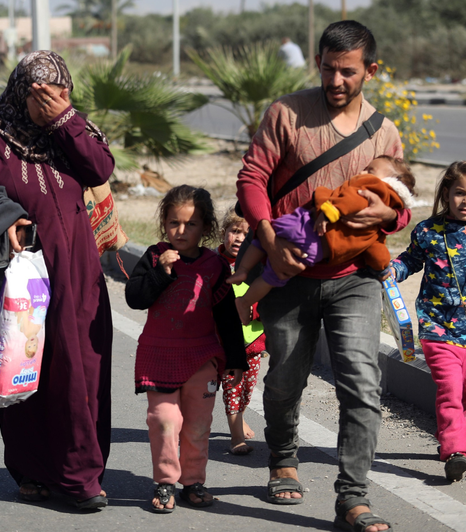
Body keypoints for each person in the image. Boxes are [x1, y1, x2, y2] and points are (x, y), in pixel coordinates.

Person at [235, 20, 405, 532]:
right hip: (288, 274)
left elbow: (399, 204)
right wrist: (269, 241)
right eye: (328, 68)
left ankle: (353, 498)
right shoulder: (286, 113)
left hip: (355, 278)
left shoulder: (385, 132)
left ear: (369, 71)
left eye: (348, 72)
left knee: (361, 381)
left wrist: (389, 218)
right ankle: (282, 454)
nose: (336, 80)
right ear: (318, 63)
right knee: (286, 376)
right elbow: (253, 177)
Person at [0, 51, 115, 509]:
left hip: (79, 278)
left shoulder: (73, 132)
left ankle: (80, 476)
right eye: (43, 94)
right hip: (22, 280)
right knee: (25, 369)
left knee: (82, 373)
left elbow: (100, 169)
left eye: (62, 91)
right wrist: (4, 222)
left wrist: (65, 122)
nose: (55, 100)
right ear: (22, 93)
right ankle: (33, 470)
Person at [125, 186, 246, 513]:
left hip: (202, 359)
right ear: (164, 222)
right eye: (174, 222)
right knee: (164, 420)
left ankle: (193, 482)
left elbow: (226, 314)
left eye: (191, 224)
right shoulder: (154, 256)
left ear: (206, 228)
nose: (181, 231)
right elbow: (135, 298)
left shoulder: (215, 266)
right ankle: (165, 482)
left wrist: (236, 359)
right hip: (159, 356)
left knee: (196, 426)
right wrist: (161, 271)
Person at [231, 155, 415, 325]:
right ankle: (245, 301)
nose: (363, 172)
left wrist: (326, 207)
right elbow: (375, 249)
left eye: (370, 170)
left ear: (391, 182)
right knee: (273, 276)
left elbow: (340, 197)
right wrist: (382, 268)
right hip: (311, 242)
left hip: (302, 217)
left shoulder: (372, 187)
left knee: (265, 239)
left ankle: (243, 270)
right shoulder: (373, 193)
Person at [391, 161, 466, 483]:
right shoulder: (427, 232)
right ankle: (454, 453)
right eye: (461, 192)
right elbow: (409, 261)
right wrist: (392, 270)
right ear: (446, 193)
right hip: (438, 329)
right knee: (450, 391)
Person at [217, 208, 267, 456]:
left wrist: (256, 310)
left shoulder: (258, 264)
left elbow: (268, 293)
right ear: (223, 233)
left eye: (246, 234)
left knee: (247, 389)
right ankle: (235, 436)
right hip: (225, 343)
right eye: (234, 231)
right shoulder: (215, 265)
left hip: (253, 342)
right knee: (232, 387)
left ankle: (240, 417)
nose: (238, 238)